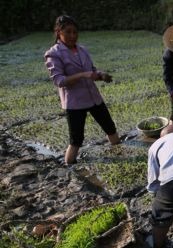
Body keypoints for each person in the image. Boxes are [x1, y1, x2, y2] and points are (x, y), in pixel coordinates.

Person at [44, 15, 120, 165]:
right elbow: (59, 81)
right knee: (76, 140)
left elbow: (91, 71)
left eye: (75, 32)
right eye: (68, 32)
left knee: (110, 128)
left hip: (93, 97)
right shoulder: (53, 53)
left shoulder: (82, 50)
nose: (73, 36)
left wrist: (101, 75)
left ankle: (120, 153)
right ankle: (70, 166)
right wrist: (83, 75)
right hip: (74, 103)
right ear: (59, 32)